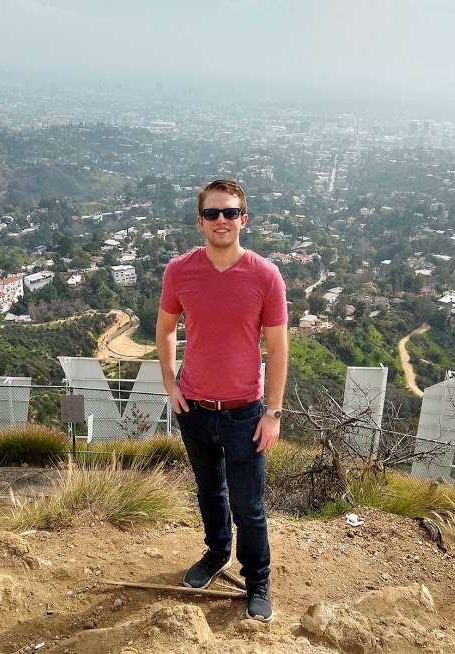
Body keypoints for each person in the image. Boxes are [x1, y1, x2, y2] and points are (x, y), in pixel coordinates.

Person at [156, 179, 288, 623]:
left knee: (249, 507)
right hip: (194, 408)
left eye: (230, 213)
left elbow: (278, 347)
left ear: (243, 219)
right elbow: (165, 329)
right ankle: (216, 554)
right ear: (200, 221)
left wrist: (273, 412)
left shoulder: (265, 274)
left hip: (244, 413)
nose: (221, 221)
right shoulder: (179, 270)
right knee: (209, 491)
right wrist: (171, 385)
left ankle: (258, 580)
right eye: (212, 213)